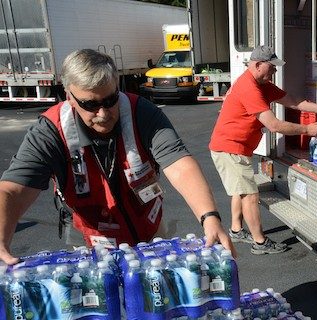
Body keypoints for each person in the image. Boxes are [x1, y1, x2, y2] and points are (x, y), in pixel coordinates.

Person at [0, 49, 234, 265]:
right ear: (68, 95)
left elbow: (179, 163)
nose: (103, 114)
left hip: (150, 231)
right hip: (91, 241)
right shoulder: (49, 131)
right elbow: (12, 188)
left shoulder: (141, 112)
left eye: (110, 100)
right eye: (90, 104)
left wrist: (210, 217)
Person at [209, 45, 317, 255]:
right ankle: (260, 243)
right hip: (230, 148)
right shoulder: (249, 87)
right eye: (272, 67)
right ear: (258, 65)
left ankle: (236, 229)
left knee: (240, 189)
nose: (275, 72)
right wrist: (308, 129)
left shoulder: (261, 84)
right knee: (250, 195)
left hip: (235, 148)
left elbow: (294, 102)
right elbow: (274, 125)